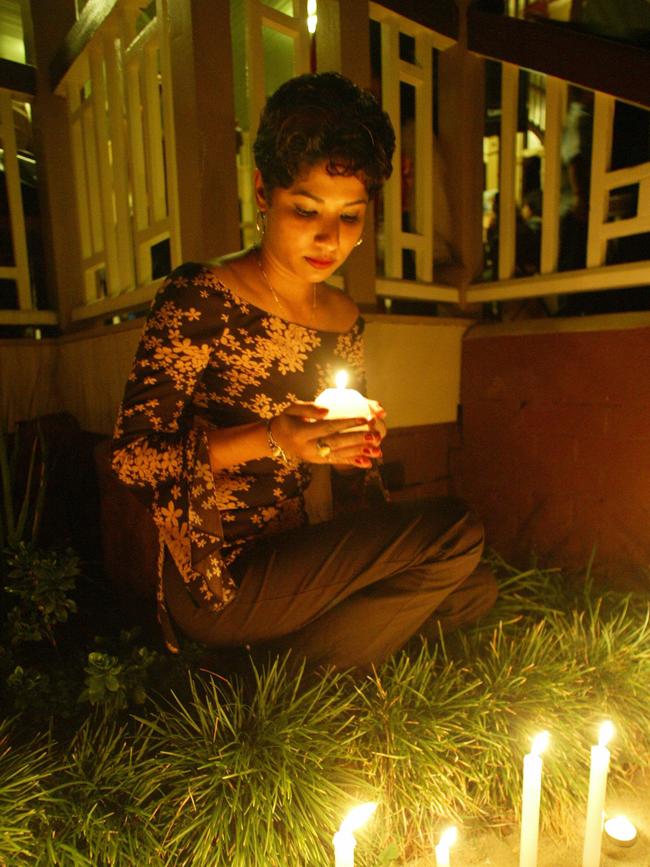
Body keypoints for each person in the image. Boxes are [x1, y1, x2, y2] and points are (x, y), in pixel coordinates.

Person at [111, 72, 496, 671]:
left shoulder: (342, 317)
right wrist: (274, 438)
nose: (328, 238)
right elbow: (133, 456)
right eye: (306, 209)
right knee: (456, 535)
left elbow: (343, 470)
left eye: (350, 216)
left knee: (473, 588)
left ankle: (292, 648)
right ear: (264, 191)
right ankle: (288, 677)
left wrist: (355, 448)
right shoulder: (202, 294)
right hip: (220, 572)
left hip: (300, 551)